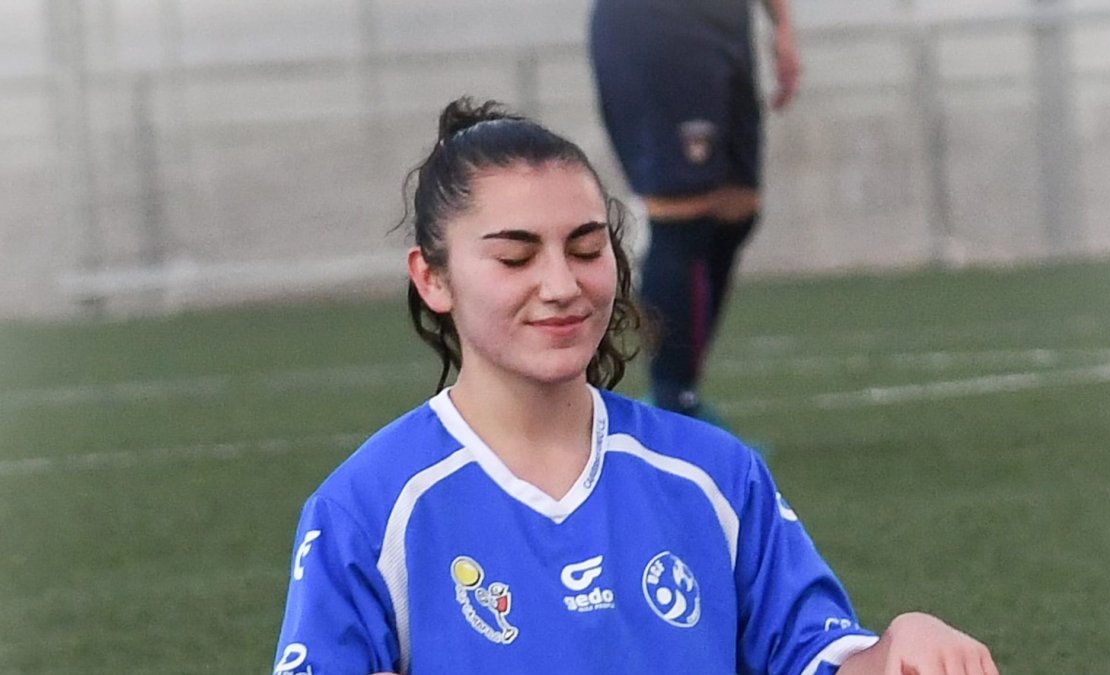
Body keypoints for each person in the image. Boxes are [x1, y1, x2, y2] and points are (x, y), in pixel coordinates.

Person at [271, 97, 1000, 675]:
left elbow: (812, 655)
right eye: (516, 257)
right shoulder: (365, 510)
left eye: (587, 248)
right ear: (432, 277)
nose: (561, 285)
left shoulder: (714, 474)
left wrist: (901, 645)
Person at [588, 0, 801, 420]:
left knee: (736, 208)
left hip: (727, 21)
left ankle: (679, 395)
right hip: (660, 22)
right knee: (681, 214)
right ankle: (673, 408)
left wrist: (782, 25)